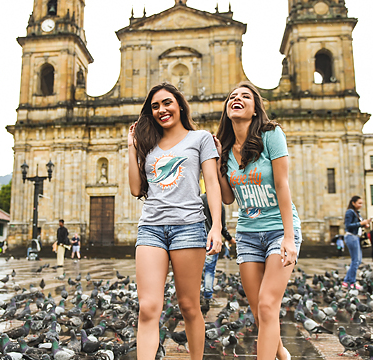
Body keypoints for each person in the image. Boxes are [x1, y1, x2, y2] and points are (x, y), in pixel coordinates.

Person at [128, 82, 222, 360]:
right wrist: (131, 149)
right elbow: (136, 189)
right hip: (151, 229)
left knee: (189, 306)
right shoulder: (149, 145)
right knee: (148, 307)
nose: (161, 110)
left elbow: (213, 184)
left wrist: (216, 226)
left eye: (167, 103)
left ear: (179, 104)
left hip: (189, 227)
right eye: (155, 106)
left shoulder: (200, 138)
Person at [215, 81, 301, 360]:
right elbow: (228, 198)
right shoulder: (226, 150)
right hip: (248, 235)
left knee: (267, 306)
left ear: (254, 110)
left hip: (278, 230)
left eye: (245, 96)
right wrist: (217, 164)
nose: (237, 99)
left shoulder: (271, 134)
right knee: (258, 310)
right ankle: (282, 355)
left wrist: (289, 237)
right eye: (232, 97)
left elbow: (282, 185)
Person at [200, 193, 234, 306]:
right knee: (209, 270)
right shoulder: (218, 204)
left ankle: (195, 296)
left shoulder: (199, 199)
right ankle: (208, 297)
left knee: (196, 270)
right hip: (210, 239)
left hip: (197, 237)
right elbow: (221, 226)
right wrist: (229, 238)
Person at [343, 196, 371, 290]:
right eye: (359, 203)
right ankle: (352, 282)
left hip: (355, 237)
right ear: (353, 203)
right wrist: (361, 224)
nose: (361, 205)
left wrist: (365, 224)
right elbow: (348, 225)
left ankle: (347, 281)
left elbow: (359, 224)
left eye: (362, 203)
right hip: (351, 237)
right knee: (355, 260)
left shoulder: (357, 213)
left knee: (358, 260)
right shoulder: (350, 212)